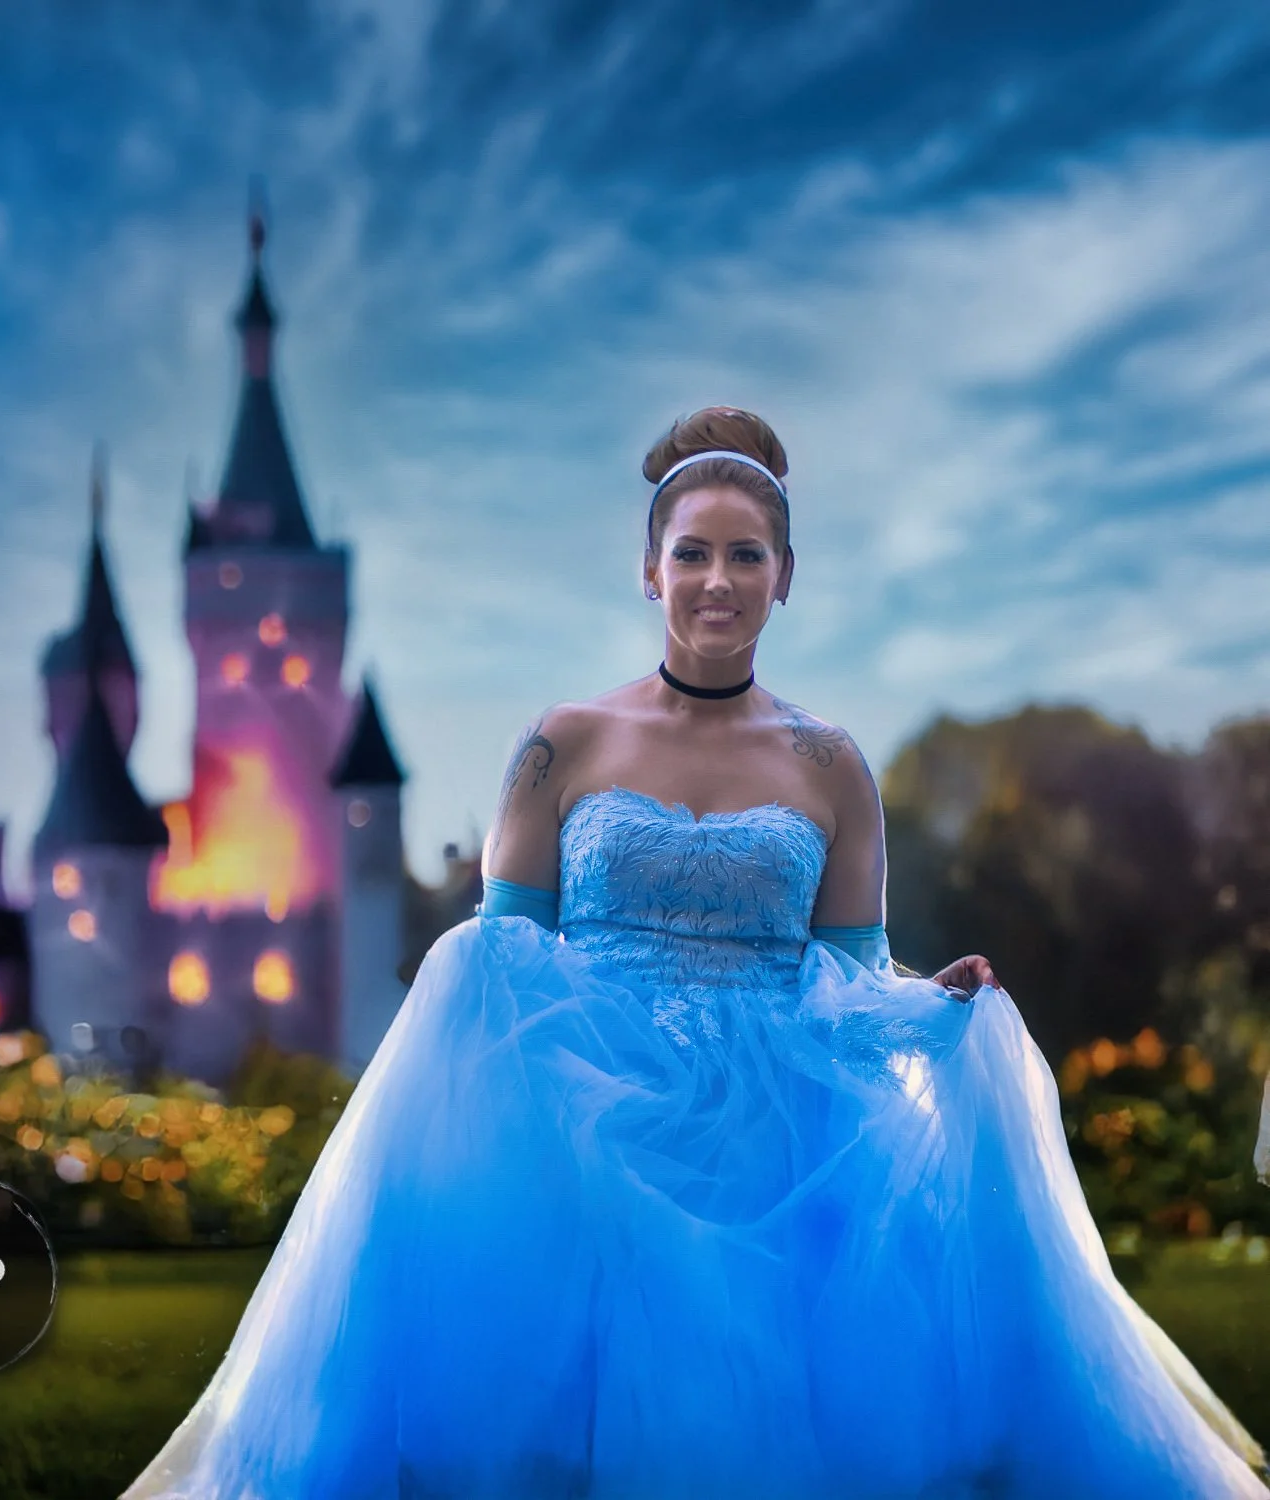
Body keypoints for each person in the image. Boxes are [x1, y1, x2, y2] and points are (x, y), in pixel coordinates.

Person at [121, 407, 1268, 1499]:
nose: (718, 581)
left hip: (770, 1129)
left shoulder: (831, 766)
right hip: (594, 1115)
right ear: (650, 569)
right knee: (571, 1411)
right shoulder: (562, 744)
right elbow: (504, 958)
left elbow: (849, 971)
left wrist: (931, 999)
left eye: (747, 556)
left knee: (755, 1408)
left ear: (785, 575)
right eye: (693, 554)